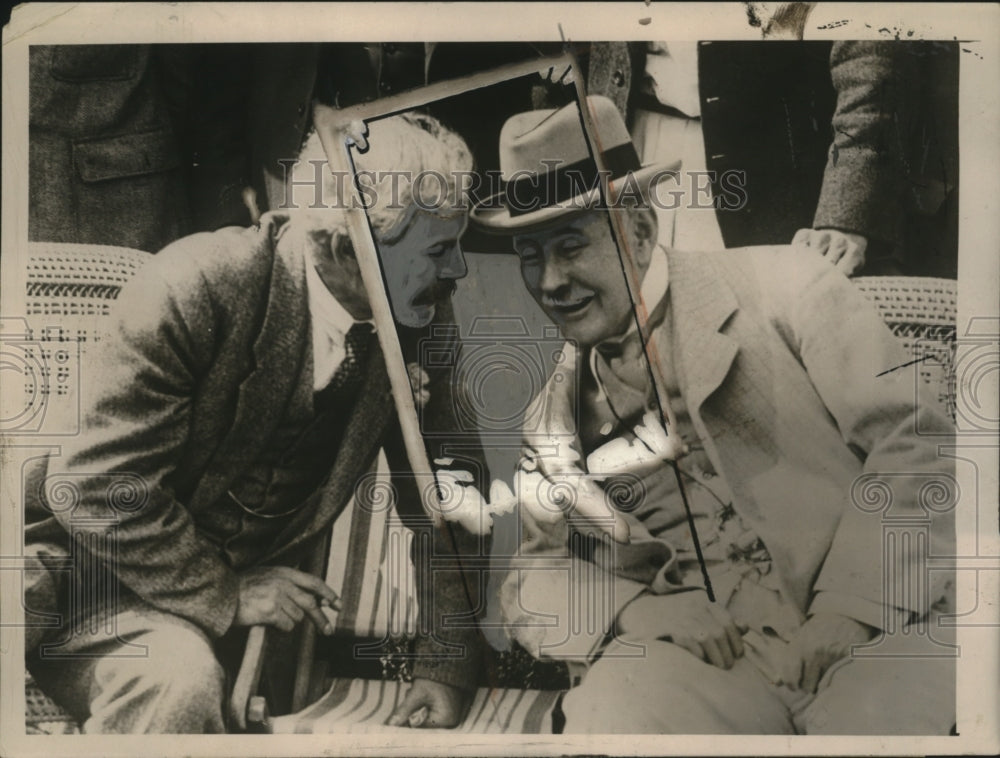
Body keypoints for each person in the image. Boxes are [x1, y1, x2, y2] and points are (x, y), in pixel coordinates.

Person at [473, 97, 956, 734]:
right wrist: (634, 611)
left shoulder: (789, 285)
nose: (550, 282)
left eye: (570, 247)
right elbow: (535, 575)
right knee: (611, 712)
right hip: (718, 672)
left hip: (876, 629)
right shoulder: (553, 415)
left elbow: (917, 441)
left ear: (640, 231)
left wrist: (850, 609)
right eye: (530, 257)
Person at [23, 112, 487, 733]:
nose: (458, 271)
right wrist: (224, 592)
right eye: (437, 251)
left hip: (209, 632)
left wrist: (445, 665)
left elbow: (450, 490)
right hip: (77, 580)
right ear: (347, 250)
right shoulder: (198, 283)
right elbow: (95, 484)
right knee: (175, 679)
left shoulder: (418, 315)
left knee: (182, 682)